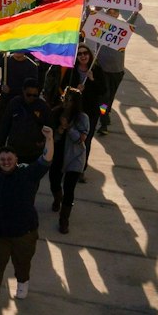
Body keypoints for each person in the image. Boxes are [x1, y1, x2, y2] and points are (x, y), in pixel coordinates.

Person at [0, 126, 55, 315]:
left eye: (9, 159)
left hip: (24, 233)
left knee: (22, 262)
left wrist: (49, 139)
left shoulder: (27, 173)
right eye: (3, 159)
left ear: (16, 160)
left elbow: (46, 159)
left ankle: (23, 281)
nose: (6, 162)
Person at [48, 87, 93, 234]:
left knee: (69, 188)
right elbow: (50, 137)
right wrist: (59, 131)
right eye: (65, 99)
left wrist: (68, 128)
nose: (67, 103)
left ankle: (64, 219)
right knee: (54, 181)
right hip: (58, 155)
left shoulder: (82, 118)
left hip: (74, 157)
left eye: (70, 100)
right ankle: (57, 198)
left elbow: (81, 139)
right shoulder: (56, 113)